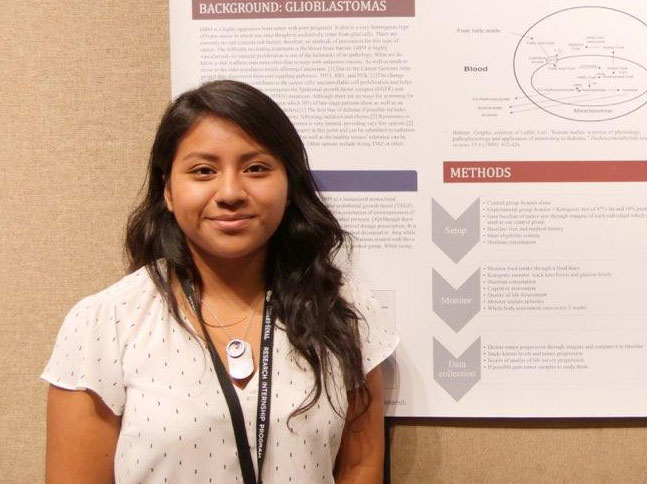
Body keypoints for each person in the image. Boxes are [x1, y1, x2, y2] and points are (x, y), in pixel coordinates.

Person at [42, 80, 398, 483]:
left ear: (289, 185)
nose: (230, 192)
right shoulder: (105, 323)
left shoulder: (344, 309)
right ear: (169, 192)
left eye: (256, 168)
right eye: (203, 171)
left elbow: (359, 466)